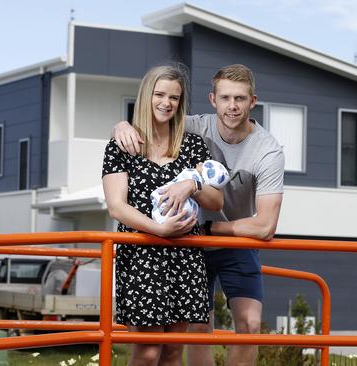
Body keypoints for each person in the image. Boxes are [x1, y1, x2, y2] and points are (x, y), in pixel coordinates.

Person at [114, 64, 285, 366]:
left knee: (250, 326)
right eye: (225, 98)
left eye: (240, 99)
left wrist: (208, 227)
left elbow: (265, 226)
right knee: (196, 329)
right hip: (187, 244)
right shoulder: (193, 127)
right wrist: (121, 126)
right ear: (212, 99)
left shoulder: (267, 150)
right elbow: (152, 121)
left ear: (252, 101)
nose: (232, 107)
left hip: (230, 239)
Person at [102, 64, 224, 366]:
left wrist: (191, 183)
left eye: (174, 97)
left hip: (185, 256)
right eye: (159, 94)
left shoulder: (193, 145)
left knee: (172, 352)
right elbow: (117, 207)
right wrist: (160, 231)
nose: (166, 103)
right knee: (146, 352)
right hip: (142, 254)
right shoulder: (121, 146)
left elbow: (216, 200)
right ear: (146, 96)